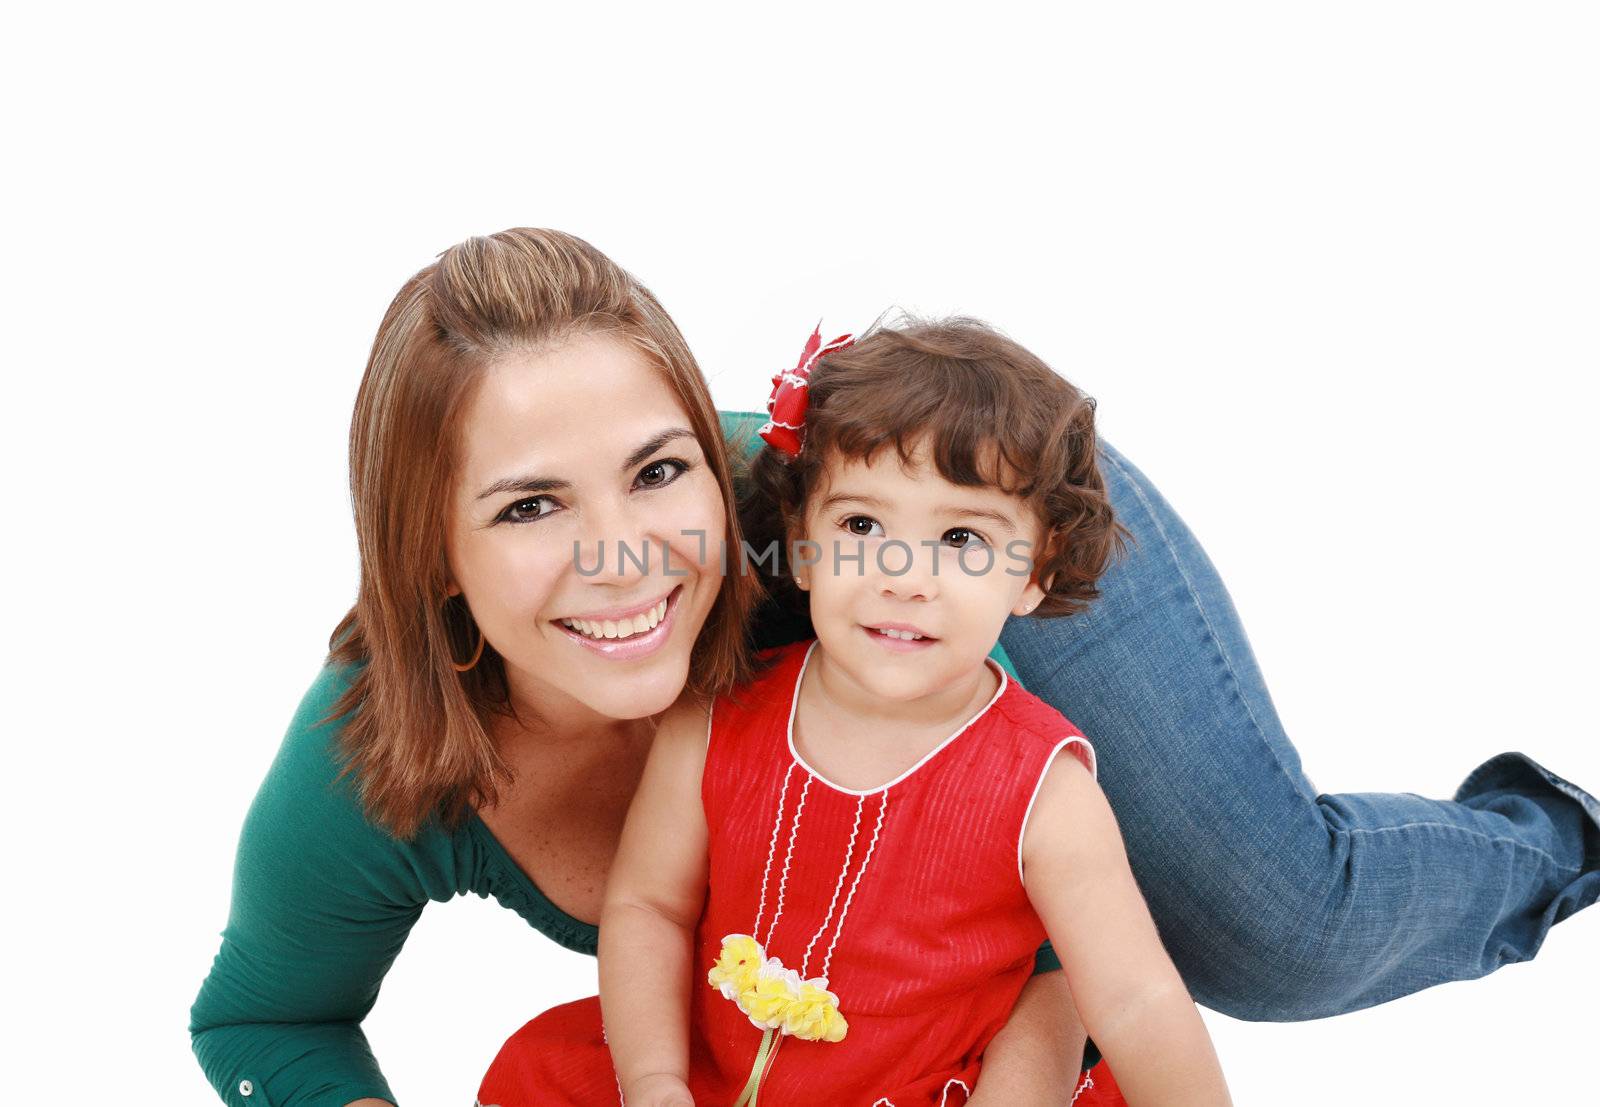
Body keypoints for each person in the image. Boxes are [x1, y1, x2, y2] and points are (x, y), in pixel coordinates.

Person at [189, 228, 1600, 1107]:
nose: (622, 557)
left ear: (728, 471)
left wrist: (1040, 1043)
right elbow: (261, 1016)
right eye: (527, 505)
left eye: (658, 471)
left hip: (982, 505)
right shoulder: (367, 763)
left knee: (1275, 928)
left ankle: (1557, 832)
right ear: (424, 547)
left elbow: (1040, 877)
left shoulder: (863, 557)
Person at [476, 319, 1232, 1106]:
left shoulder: (1047, 790)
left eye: (962, 538)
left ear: (1033, 574)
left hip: (918, 1086)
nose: (904, 577)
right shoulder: (713, 719)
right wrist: (656, 1082)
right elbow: (649, 907)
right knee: (535, 1076)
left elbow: (1135, 998)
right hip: (711, 1065)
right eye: (863, 526)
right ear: (802, 545)